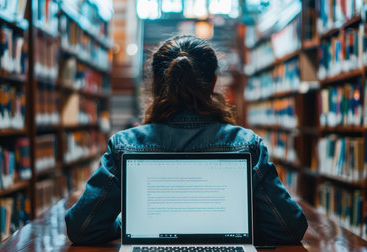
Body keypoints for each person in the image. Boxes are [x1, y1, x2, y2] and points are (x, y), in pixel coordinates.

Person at [65, 35, 308, 246]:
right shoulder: (247, 143)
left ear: (157, 86)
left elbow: (82, 228)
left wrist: (130, 227)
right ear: (214, 83)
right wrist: (234, 230)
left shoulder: (124, 145)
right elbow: (289, 228)